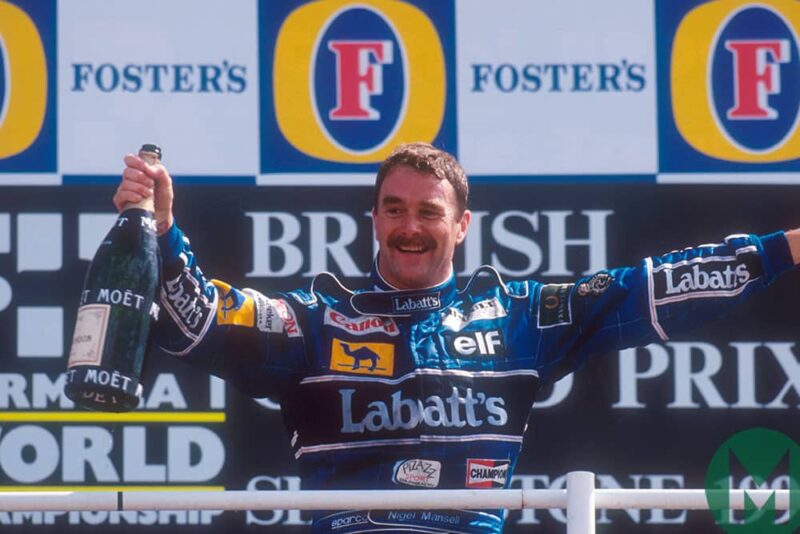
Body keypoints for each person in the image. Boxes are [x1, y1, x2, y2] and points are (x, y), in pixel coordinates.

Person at [114, 143, 800, 534]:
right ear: (373, 220)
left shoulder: (521, 315)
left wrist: (784, 249)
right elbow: (197, 320)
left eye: (428, 212)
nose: (410, 225)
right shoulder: (312, 319)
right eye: (394, 209)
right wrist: (163, 232)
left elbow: (655, 286)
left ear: (462, 225)